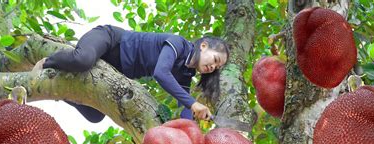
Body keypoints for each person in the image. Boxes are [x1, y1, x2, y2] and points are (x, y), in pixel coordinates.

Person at [32, 24, 229, 122]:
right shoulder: (178, 44)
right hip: (110, 41)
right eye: (215, 60)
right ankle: (48, 62)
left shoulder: (185, 74)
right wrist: (193, 103)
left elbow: (185, 107)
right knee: (82, 59)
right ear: (203, 46)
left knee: (95, 115)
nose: (213, 67)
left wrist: (192, 129)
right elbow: (161, 73)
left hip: (116, 69)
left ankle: (61, 91)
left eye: (217, 67)